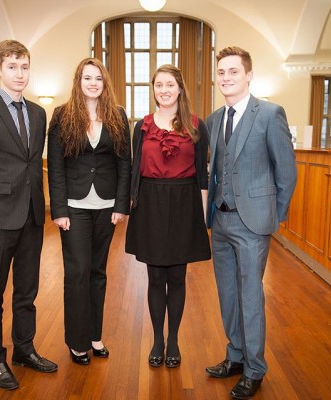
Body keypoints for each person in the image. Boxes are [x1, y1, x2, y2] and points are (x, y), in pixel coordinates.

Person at [0, 39, 57, 391]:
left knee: (26, 292)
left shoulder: (37, 113)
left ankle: (24, 349)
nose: (20, 74)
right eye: (13, 67)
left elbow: (33, 162)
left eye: (25, 67)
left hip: (32, 213)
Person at [204, 46, 297, 400]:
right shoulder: (214, 120)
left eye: (233, 71)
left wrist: (273, 216)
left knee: (250, 294)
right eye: (221, 72)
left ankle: (255, 368)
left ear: (248, 75)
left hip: (253, 224)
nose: (226, 77)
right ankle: (236, 356)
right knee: (227, 294)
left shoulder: (270, 114)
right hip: (221, 222)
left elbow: (287, 173)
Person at [126, 64, 211, 369]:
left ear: (180, 89)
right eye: (159, 85)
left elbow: (202, 175)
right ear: (154, 89)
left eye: (170, 85)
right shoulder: (142, 126)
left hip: (184, 204)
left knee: (177, 276)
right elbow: (134, 170)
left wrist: (202, 219)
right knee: (155, 276)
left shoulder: (196, 125)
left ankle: (173, 339)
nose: (164, 90)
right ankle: (157, 340)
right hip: (150, 204)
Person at [47, 58, 131, 365]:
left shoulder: (118, 116)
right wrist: (58, 209)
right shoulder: (62, 116)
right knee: (77, 272)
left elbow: (125, 163)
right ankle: (77, 341)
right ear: (78, 81)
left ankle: (95, 335)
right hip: (74, 208)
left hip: (106, 207)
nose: (93, 82)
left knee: (97, 272)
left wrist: (121, 205)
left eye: (98, 78)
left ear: (104, 82)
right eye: (87, 77)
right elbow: (55, 167)